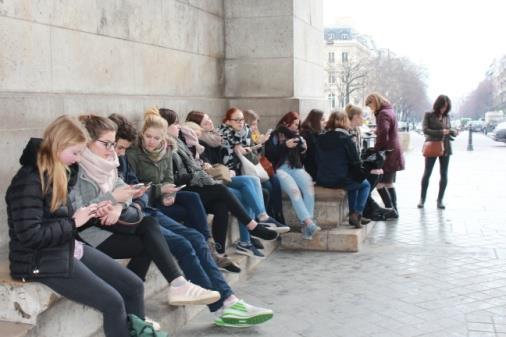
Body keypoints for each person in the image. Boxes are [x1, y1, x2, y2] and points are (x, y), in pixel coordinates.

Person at [108, 113, 274, 328]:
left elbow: (134, 186)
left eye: (119, 148)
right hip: (135, 218)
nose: (118, 154)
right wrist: (140, 196)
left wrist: (147, 196)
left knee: (196, 235)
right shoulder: (126, 156)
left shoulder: (125, 157)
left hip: (143, 211)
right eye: (114, 147)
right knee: (185, 241)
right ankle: (223, 303)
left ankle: (229, 300)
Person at [5, 116, 147, 337]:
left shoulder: (60, 171)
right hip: (37, 260)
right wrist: (74, 223)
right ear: (59, 145)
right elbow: (30, 236)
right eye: (75, 152)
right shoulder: (28, 181)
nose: (78, 158)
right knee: (113, 302)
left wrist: (91, 212)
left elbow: (63, 219)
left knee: (134, 286)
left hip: (64, 246)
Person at [71, 114, 220, 308]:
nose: (112, 150)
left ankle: (165, 289)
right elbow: (81, 211)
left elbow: (127, 190)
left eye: (113, 144)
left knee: (153, 234)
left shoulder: (109, 163)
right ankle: (172, 287)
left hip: (115, 223)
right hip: (92, 235)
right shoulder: (77, 168)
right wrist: (115, 198)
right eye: (107, 144)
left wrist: (117, 204)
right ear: (88, 142)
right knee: (152, 235)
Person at [128, 108, 278, 259]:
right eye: (148, 136)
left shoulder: (169, 146)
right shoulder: (138, 153)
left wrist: (180, 185)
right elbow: (139, 183)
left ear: (162, 137)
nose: (151, 141)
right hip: (164, 193)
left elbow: (170, 177)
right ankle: (249, 228)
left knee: (223, 202)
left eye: (156, 138)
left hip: (179, 188)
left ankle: (219, 252)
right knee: (220, 191)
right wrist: (167, 188)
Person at [265, 111, 320, 239]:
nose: (296, 127)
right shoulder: (275, 135)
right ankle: (308, 223)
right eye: (294, 124)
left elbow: (301, 157)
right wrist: (285, 146)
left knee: (309, 187)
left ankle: (307, 227)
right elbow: (270, 155)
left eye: (298, 124)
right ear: (286, 122)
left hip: (296, 167)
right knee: (294, 191)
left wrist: (304, 149)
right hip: (280, 169)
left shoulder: (297, 136)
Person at [316, 112, 371, 228]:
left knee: (354, 182)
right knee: (365, 184)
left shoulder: (321, 137)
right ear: (344, 122)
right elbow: (355, 162)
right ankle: (357, 213)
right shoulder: (346, 139)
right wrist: (364, 173)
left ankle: (352, 215)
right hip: (338, 179)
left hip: (322, 178)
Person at [345, 104, 397, 222]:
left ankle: (372, 210)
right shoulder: (349, 131)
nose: (363, 119)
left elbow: (359, 155)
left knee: (378, 174)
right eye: (361, 116)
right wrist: (368, 169)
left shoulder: (357, 130)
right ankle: (369, 210)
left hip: (356, 166)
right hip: (351, 169)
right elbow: (352, 158)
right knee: (369, 179)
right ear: (355, 117)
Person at [365, 93, 405, 216]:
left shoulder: (382, 114)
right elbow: (387, 129)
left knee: (380, 183)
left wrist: (376, 149)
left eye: (370, 105)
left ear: (374, 102)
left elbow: (383, 134)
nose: (371, 109)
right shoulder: (389, 110)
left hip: (387, 152)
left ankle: (390, 210)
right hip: (393, 150)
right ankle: (394, 209)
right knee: (388, 182)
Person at [418, 95, 458, 209]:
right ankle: (422, 199)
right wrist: (441, 132)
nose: (444, 109)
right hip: (433, 146)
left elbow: (449, 129)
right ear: (438, 105)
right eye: (442, 106)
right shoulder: (429, 114)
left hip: (445, 147)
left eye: (446, 107)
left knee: (444, 174)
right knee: (427, 173)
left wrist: (453, 132)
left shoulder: (447, 116)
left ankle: (440, 200)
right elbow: (425, 130)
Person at [300, 109, 325, 181]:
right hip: (311, 171)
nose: (325, 122)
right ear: (315, 121)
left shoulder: (315, 133)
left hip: (316, 169)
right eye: (322, 120)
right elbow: (314, 155)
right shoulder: (307, 135)